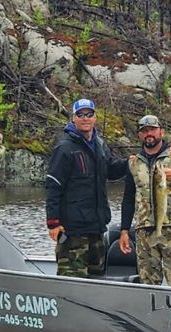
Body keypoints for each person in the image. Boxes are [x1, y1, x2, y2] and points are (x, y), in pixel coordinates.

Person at [45, 98, 128, 278]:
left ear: (95, 118)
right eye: (80, 115)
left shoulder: (100, 145)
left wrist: (131, 163)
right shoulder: (64, 148)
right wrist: (53, 222)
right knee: (72, 282)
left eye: (89, 114)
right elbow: (53, 186)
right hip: (72, 231)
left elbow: (112, 170)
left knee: (97, 280)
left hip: (96, 228)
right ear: (73, 118)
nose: (85, 118)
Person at [118, 115, 171, 287]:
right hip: (144, 232)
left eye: (152, 130)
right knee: (148, 284)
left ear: (161, 131)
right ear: (140, 135)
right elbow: (127, 198)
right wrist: (124, 230)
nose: (149, 134)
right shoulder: (133, 162)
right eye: (144, 131)